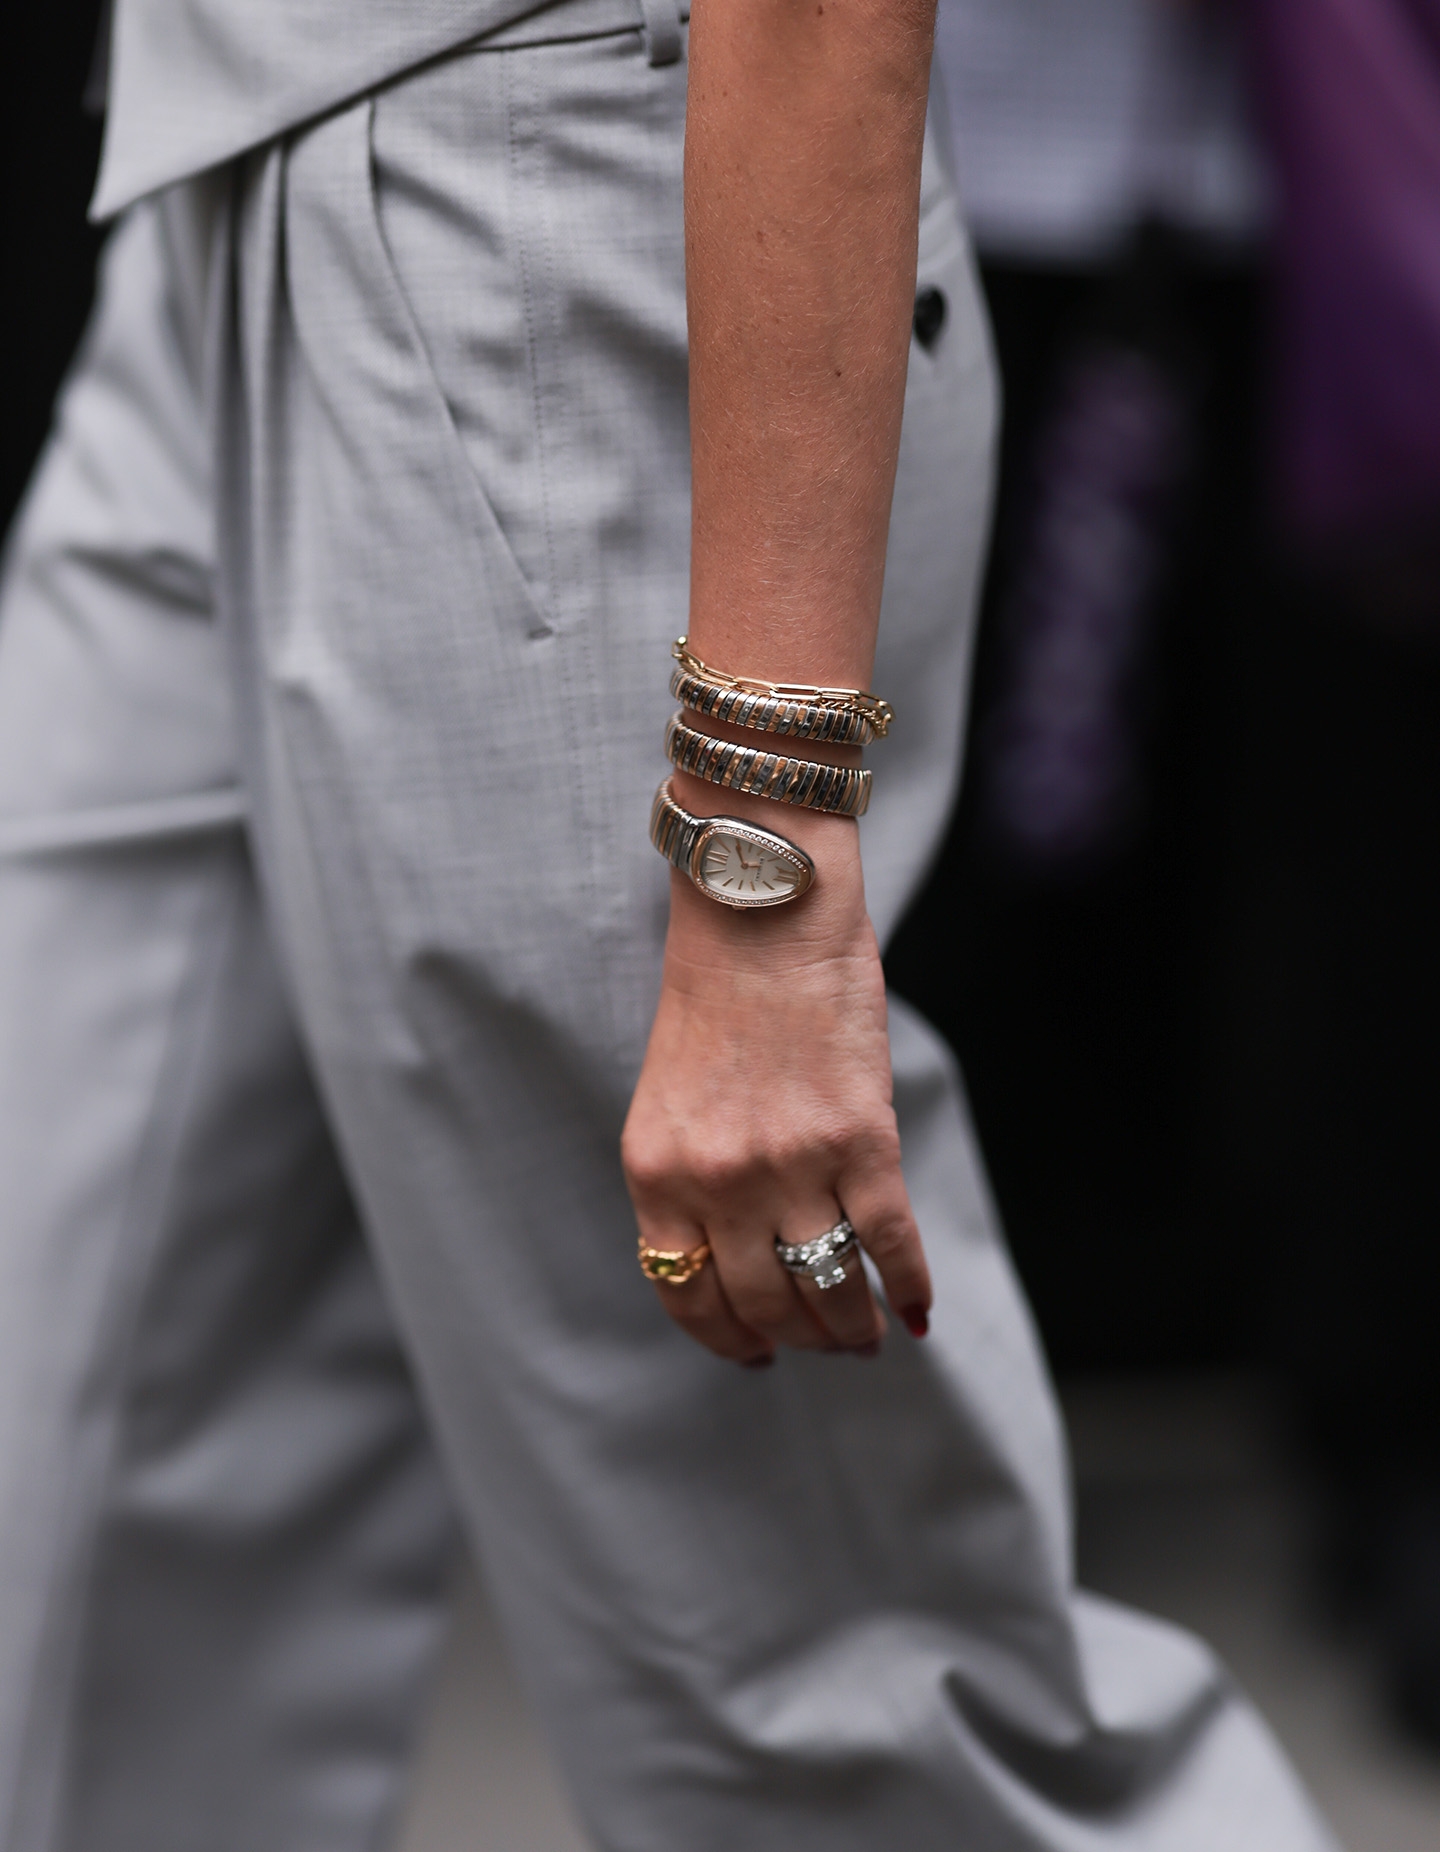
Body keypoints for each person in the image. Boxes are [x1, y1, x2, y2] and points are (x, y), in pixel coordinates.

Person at [0, 1, 1334, 1847]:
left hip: (538, 211)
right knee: (77, 1527)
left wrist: (760, 832)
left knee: (822, 1707)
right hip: (217, 162)